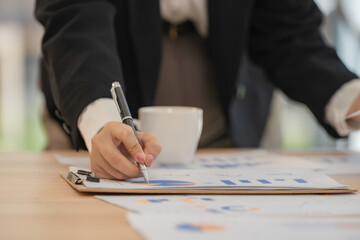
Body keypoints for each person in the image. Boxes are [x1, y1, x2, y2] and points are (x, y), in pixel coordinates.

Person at [35, 0, 360, 180]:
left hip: (231, 86)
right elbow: (76, 15)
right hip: (100, 72)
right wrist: (102, 119)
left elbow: (290, 32)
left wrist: (348, 95)